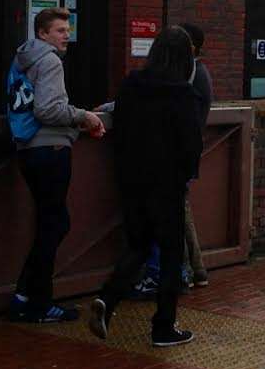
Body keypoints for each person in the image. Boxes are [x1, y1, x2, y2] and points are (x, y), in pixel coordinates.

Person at [88, 27, 204, 347]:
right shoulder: (183, 94)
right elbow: (191, 144)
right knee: (170, 255)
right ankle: (163, 327)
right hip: (166, 184)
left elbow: (121, 131)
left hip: (131, 179)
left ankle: (107, 300)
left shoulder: (130, 86)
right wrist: (184, 175)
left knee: (138, 246)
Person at [8, 8, 104, 323]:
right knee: (55, 224)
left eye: (67, 30)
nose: (67, 36)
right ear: (43, 34)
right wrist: (83, 116)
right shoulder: (49, 61)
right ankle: (39, 303)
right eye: (60, 30)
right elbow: (48, 109)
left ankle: (25, 295)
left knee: (51, 223)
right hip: (50, 148)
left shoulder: (22, 59)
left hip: (27, 148)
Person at [180, 22, 213, 288]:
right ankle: (196, 268)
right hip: (187, 149)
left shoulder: (193, 74)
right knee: (181, 208)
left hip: (182, 151)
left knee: (176, 208)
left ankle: (185, 271)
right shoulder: (195, 72)